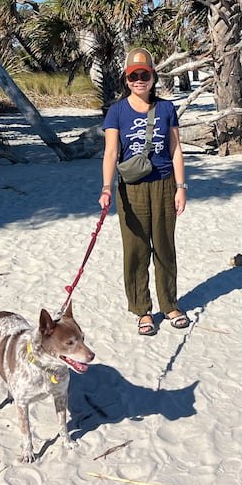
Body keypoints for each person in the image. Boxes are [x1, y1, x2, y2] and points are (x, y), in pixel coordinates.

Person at [99, 48, 190, 336]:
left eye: (144, 75)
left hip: (164, 185)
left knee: (164, 247)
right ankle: (142, 310)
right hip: (132, 189)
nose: (139, 80)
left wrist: (180, 187)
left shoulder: (166, 109)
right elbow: (111, 152)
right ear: (127, 80)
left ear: (153, 77)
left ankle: (170, 304)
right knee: (136, 251)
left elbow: (176, 151)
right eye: (133, 76)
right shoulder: (117, 111)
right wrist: (106, 188)